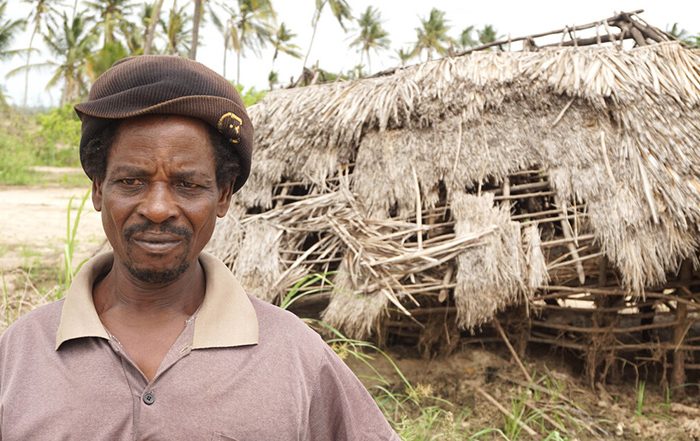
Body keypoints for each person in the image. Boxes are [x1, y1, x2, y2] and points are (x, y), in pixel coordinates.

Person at [0, 56, 400, 441]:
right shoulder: (20, 354)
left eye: (187, 185)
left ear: (223, 196)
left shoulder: (293, 353)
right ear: (99, 190)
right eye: (132, 182)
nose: (158, 209)